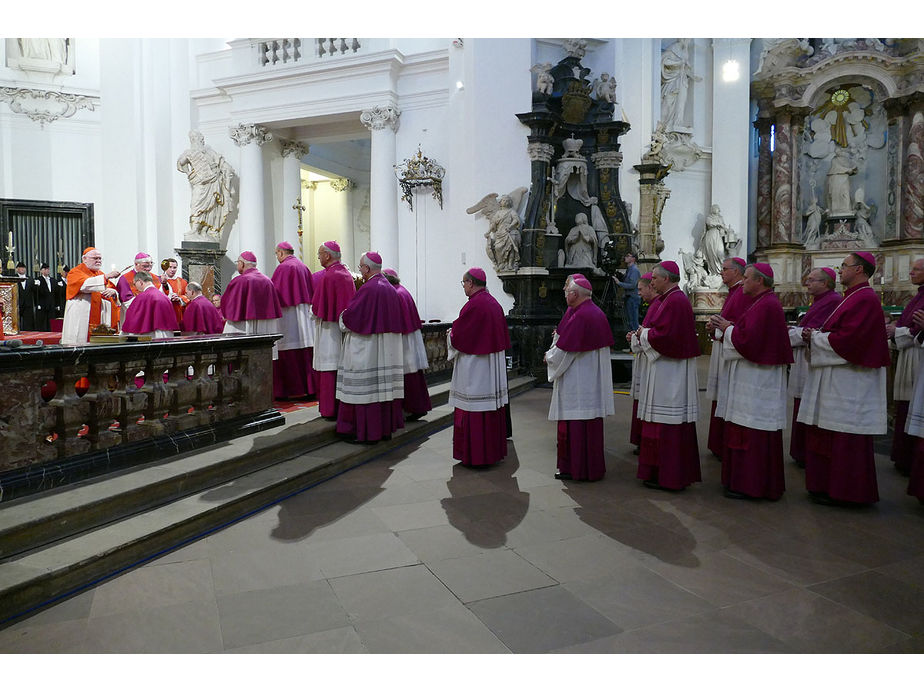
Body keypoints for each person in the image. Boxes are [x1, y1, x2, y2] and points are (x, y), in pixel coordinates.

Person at [797, 251, 890, 505]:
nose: (840, 271)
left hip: (851, 381)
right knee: (830, 433)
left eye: (844, 266)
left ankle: (847, 492)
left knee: (845, 437)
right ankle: (827, 486)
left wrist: (815, 338)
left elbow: (852, 341)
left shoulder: (865, 298)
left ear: (859, 270)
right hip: (838, 377)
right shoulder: (851, 298)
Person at [711, 263, 793, 500]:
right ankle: (742, 481)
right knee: (744, 428)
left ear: (760, 281)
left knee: (753, 431)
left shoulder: (768, 305)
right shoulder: (762, 302)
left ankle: (753, 485)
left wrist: (727, 328)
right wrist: (728, 329)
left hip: (758, 380)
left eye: (746, 278)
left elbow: (749, 341)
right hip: (750, 376)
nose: (742, 282)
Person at [633, 260, 702, 491]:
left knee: (669, 424)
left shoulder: (676, 301)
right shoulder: (669, 299)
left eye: (654, 278)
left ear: (666, 278)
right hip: (664, 370)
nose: (651, 282)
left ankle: (670, 476)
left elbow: (667, 337)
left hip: (671, 374)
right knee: (661, 423)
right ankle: (661, 473)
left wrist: (645, 334)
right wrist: (646, 334)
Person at [545, 275, 615, 481]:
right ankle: (575, 467)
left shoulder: (583, 316)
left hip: (580, 380)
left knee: (578, 423)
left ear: (575, 294)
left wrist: (548, 358)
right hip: (583, 377)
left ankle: (581, 469)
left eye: (566, 290)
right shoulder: (582, 311)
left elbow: (567, 351)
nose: (565, 293)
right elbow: (565, 339)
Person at [335, 252, 405, 443]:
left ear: (366, 268)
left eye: (360, 268)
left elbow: (351, 318)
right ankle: (383, 430)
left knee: (365, 392)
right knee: (381, 392)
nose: (361, 272)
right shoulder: (390, 288)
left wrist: (342, 316)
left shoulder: (368, 289)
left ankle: (366, 433)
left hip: (367, 349)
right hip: (385, 349)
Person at [448, 267, 512, 467]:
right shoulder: (493, 303)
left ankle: (475, 454)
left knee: (474, 409)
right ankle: (491, 452)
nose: (464, 287)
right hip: (491, 367)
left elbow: (459, 337)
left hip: (475, 368)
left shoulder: (474, 306)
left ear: (471, 283)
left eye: (464, 283)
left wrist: (450, 335)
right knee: (489, 409)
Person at [788, 267, 841, 466]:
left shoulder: (833, 301)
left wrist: (793, 334)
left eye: (811, 280)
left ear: (825, 283)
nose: (807, 283)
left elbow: (813, 332)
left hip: (813, 358)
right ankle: (800, 452)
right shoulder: (821, 301)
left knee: (808, 405)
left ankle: (805, 453)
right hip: (806, 356)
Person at [704, 257, 752, 458]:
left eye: (725, 269)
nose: (721, 272)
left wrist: (720, 328)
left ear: (738, 272)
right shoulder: (734, 291)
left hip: (732, 349)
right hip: (724, 345)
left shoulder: (742, 292)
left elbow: (739, 324)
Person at [885, 258, 924, 475]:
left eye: (916, 270)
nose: (911, 273)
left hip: (917, 355)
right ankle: (903, 457)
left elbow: (914, 331)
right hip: (909, 353)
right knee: (904, 407)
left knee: (913, 406)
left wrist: (895, 332)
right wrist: (896, 329)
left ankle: (909, 459)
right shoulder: (918, 296)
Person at [311, 241, 356, 420]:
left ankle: (329, 410)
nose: (319, 257)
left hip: (330, 331)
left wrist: (313, 310)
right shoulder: (345, 273)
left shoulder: (329, 276)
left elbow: (317, 309)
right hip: (342, 329)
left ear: (327, 255)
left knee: (329, 367)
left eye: (320, 253)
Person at [383, 268, 432, 421]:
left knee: (407, 376)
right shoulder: (402, 290)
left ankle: (412, 408)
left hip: (404, 341)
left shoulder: (396, 294)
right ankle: (417, 407)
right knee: (413, 374)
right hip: (410, 336)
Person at [271, 241, 317, 401]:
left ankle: (288, 391)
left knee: (286, 349)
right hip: (304, 316)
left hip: (288, 317)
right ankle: (310, 389)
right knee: (305, 350)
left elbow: (274, 294)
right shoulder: (304, 267)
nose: (277, 257)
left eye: (276, 254)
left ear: (281, 253)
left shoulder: (283, 268)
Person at [177, 130, 235, 240]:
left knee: (211, 208)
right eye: (199, 138)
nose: (202, 140)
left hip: (213, 182)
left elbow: (221, 163)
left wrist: (226, 171)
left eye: (201, 138)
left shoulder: (209, 152)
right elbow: (181, 163)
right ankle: (194, 229)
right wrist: (188, 172)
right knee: (196, 205)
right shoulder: (190, 152)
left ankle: (204, 230)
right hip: (200, 183)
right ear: (193, 140)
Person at [221, 251, 283, 352]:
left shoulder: (240, 281)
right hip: (264, 326)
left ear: (242, 263)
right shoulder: (267, 280)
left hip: (243, 326)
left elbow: (227, 303)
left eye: (238, 262)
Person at [61, 248, 121, 346]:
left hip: (99, 314)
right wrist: (106, 277)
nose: (98, 261)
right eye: (95, 258)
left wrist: (113, 291)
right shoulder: (75, 272)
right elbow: (84, 285)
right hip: (82, 313)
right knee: (79, 340)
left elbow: (110, 288)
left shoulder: (100, 274)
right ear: (84, 259)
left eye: (100, 258)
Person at [628, 272, 661, 452]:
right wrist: (635, 336)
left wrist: (638, 336)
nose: (639, 293)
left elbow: (656, 335)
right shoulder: (654, 305)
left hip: (652, 363)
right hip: (646, 358)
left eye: (641, 289)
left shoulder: (658, 305)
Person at [121, 271, 180, 338]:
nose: (135, 287)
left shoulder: (141, 298)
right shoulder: (165, 297)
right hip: (167, 336)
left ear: (140, 282)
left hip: (149, 338)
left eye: (134, 284)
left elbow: (133, 320)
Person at [614, 251, 641, 331]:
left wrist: (619, 283)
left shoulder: (634, 270)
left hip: (632, 298)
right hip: (629, 297)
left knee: (633, 322)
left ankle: (636, 340)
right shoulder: (629, 269)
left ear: (633, 258)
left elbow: (632, 285)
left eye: (628, 256)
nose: (625, 257)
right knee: (630, 321)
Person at [160, 258, 189, 327]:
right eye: (170, 267)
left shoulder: (182, 282)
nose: (172, 270)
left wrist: (179, 298)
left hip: (178, 312)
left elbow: (188, 296)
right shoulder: (158, 280)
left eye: (174, 267)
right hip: (163, 312)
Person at [11, 261, 36, 331]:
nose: (22, 269)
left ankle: (28, 332)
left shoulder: (30, 279)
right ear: (17, 269)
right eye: (20, 268)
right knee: (17, 320)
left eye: (23, 268)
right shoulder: (14, 278)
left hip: (28, 303)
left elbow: (34, 291)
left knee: (28, 321)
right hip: (18, 303)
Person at [33, 262, 55, 331]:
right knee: (42, 320)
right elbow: (35, 293)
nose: (47, 270)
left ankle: (50, 331)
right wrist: (37, 304)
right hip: (42, 303)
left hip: (51, 303)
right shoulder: (38, 279)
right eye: (45, 269)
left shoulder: (52, 280)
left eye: (48, 269)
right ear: (41, 271)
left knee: (50, 320)